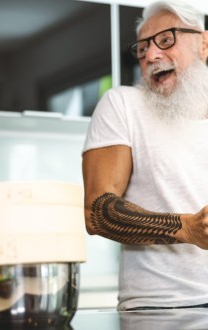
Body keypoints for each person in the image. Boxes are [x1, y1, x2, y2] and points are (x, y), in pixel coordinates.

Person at [82, 0, 208, 311]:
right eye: (142, 48)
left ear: (203, 43)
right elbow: (97, 213)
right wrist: (186, 227)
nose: (151, 55)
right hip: (163, 308)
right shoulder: (122, 104)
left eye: (166, 40)